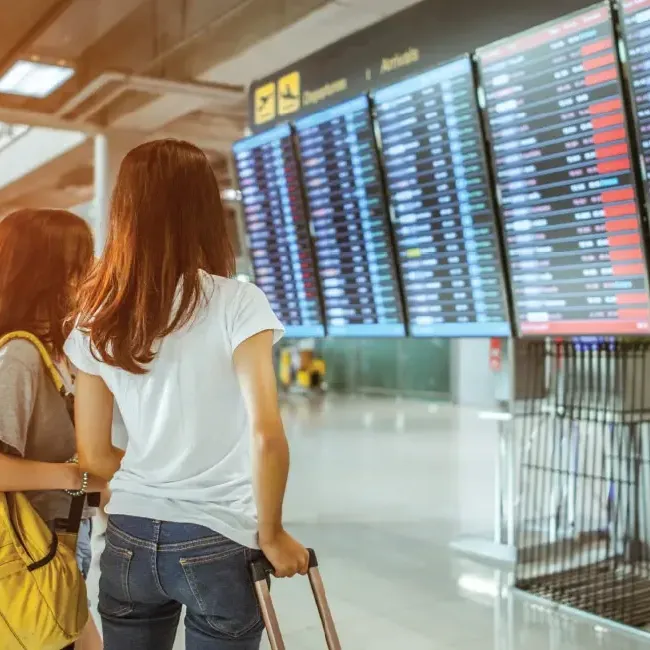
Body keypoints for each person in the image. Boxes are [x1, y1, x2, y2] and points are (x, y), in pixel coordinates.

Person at [65, 139, 310, 650]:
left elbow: (93, 454)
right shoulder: (237, 302)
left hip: (128, 537)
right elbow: (266, 435)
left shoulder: (97, 316)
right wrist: (273, 533)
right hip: (218, 537)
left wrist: (155, 477)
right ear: (204, 207)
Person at [0, 208, 105, 650]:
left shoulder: (58, 354)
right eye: (82, 262)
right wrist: (76, 475)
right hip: (26, 555)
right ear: (47, 274)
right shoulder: (21, 356)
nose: (93, 274)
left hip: (57, 543)